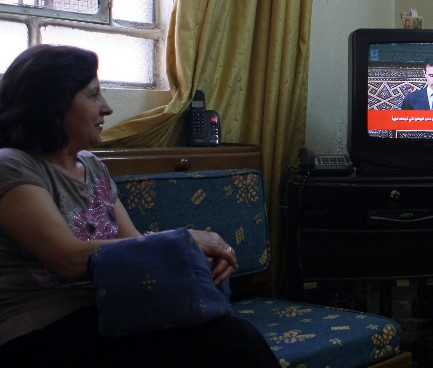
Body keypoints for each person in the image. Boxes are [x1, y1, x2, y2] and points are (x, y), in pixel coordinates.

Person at [0, 45, 279, 367]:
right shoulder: (12, 165)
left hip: (111, 311)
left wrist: (201, 254)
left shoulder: (92, 166)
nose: (106, 108)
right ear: (52, 103)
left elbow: (130, 242)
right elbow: (68, 260)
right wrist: (185, 240)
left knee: (229, 334)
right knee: (231, 342)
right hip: (39, 326)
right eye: (93, 95)